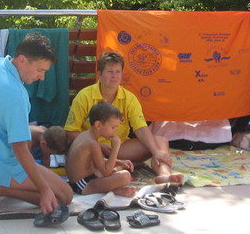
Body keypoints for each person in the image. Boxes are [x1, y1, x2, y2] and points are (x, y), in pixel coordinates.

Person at [0, 33, 73, 213]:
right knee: (65, 196)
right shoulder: (15, 94)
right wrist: (44, 190)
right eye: (40, 70)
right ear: (22, 60)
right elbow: (20, 149)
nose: (42, 77)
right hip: (1, 165)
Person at [65, 51, 184, 184]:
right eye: (110, 72)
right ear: (99, 74)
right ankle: (120, 167)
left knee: (160, 142)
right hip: (93, 148)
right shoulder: (83, 96)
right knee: (96, 169)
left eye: (118, 72)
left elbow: (141, 128)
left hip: (118, 147)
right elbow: (70, 132)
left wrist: (156, 152)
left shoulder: (129, 98)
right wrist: (98, 145)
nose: (114, 76)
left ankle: (164, 175)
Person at [65, 102, 136, 197]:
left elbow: (97, 162)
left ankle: (115, 189)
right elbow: (106, 172)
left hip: (85, 178)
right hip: (82, 185)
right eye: (113, 127)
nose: (115, 131)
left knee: (117, 168)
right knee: (125, 176)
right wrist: (115, 148)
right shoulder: (92, 143)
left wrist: (119, 162)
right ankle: (115, 190)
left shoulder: (86, 135)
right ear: (98, 125)